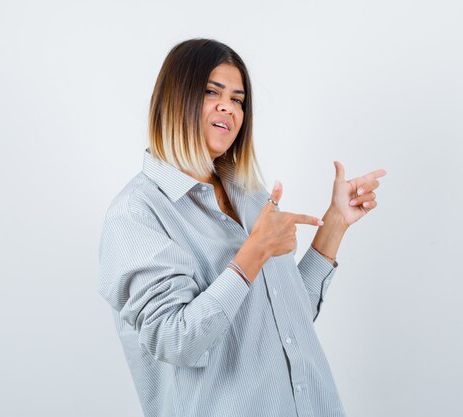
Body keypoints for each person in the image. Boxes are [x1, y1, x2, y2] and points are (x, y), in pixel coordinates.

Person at [98, 38, 386, 417]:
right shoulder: (136, 214)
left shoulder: (249, 194)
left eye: (238, 99)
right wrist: (254, 252)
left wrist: (334, 223)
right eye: (211, 92)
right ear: (173, 100)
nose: (228, 107)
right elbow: (176, 341)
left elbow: (285, 317)